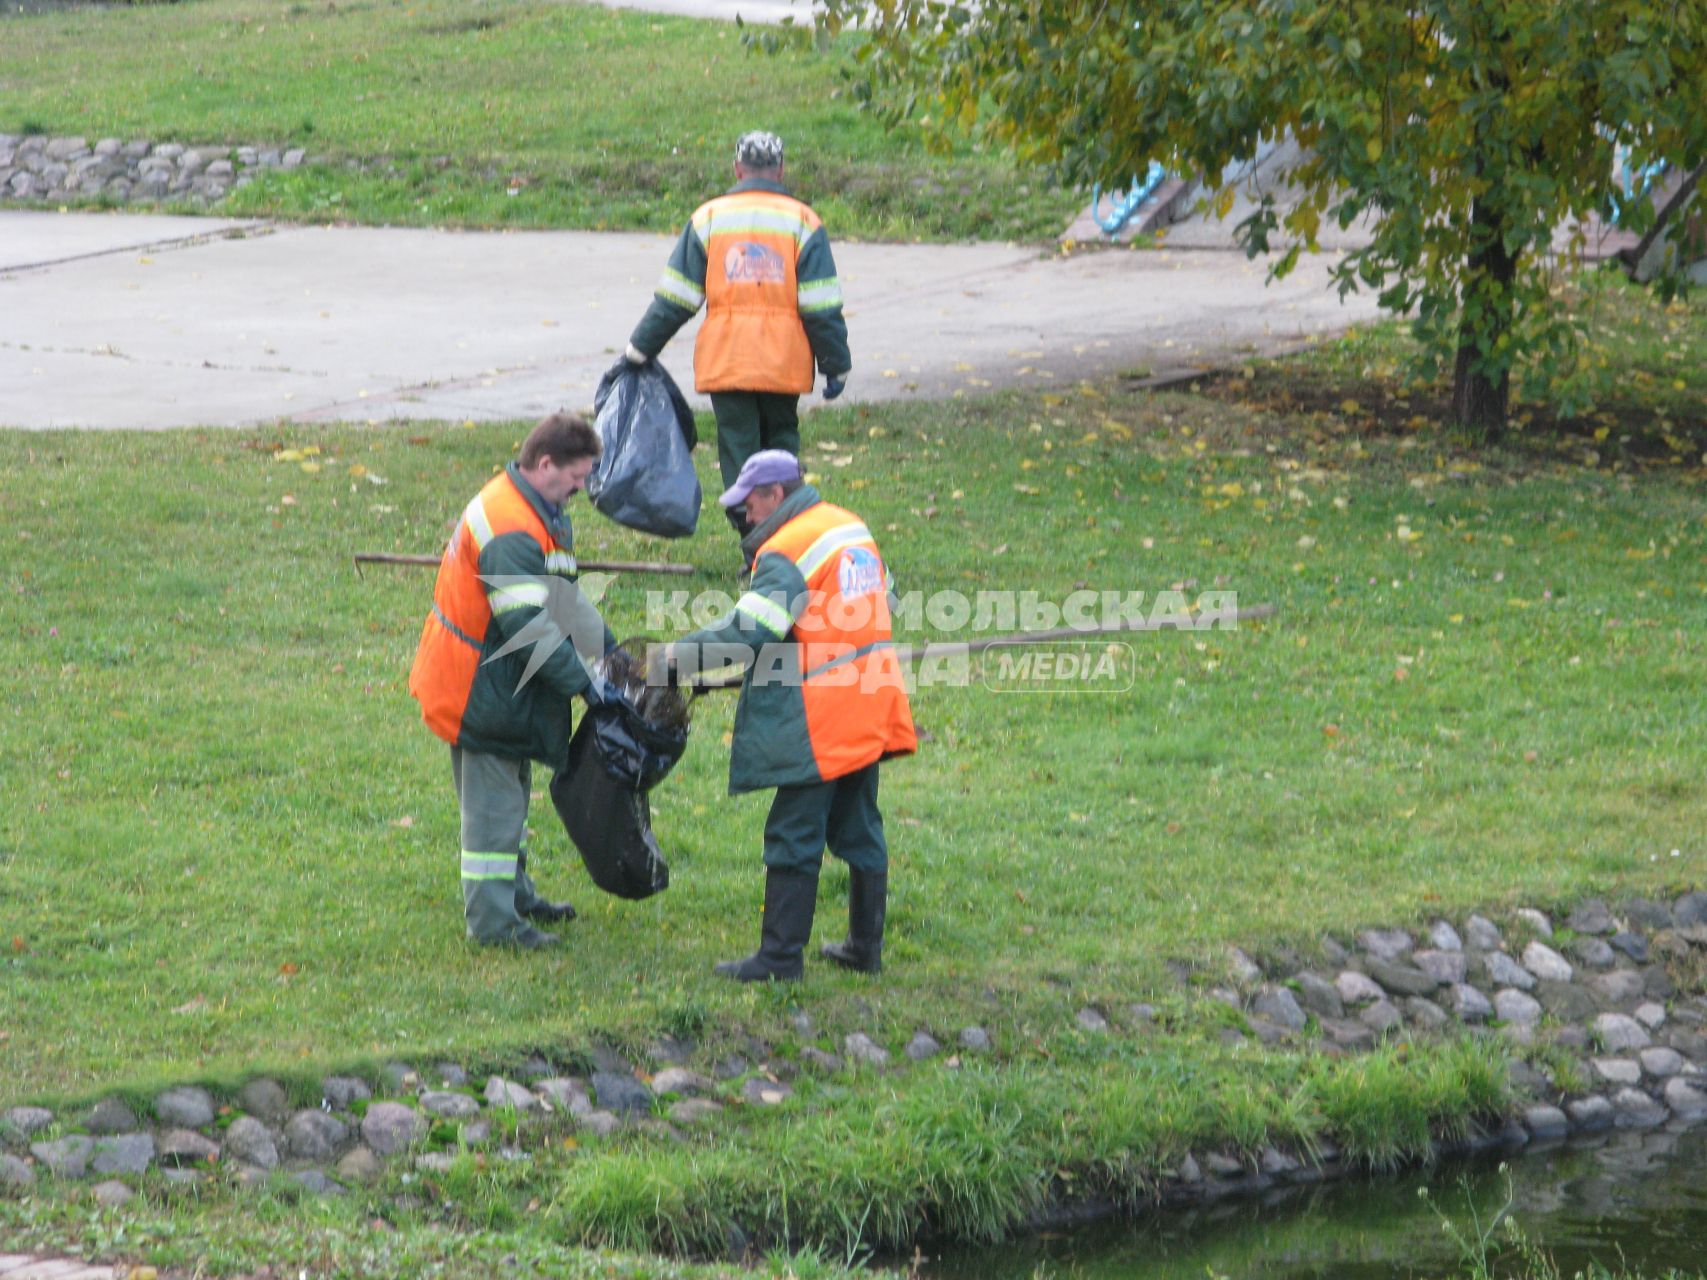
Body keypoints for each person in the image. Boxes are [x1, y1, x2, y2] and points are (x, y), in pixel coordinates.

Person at [655, 450, 916, 980]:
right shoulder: (849, 526)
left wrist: (673, 657)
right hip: (870, 701)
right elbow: (877, 598)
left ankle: (778, 959)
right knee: (859, 824)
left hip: (821, 716)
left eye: (749, 506)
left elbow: (747, 633)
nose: (746, 518)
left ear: (776, 495)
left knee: (794, 833)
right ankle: (864, 948)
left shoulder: (787, 549)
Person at [408, 413, 616, 949]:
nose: (581, 488)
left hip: (498, 685)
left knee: (511, 800)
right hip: (478, 689)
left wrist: (609, 651)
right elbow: (528, 627)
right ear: (545, 464)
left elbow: (563, 596)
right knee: (493, 813)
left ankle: (515, 894)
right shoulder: (511, 528)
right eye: (576, 477)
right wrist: (585, 684)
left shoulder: (536, 509)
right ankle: (495, 924)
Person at [624, 130, 852, 534]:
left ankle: (752, 540)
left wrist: (639, 349)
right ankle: (788, 534)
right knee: (781, 445)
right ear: (780, 170)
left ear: (737, 168)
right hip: (784, 363)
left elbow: (675, 299)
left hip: (728, 361)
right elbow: (820, 306)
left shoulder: (709, 218)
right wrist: (835, 364)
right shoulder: (803, 222)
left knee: (739, 450)